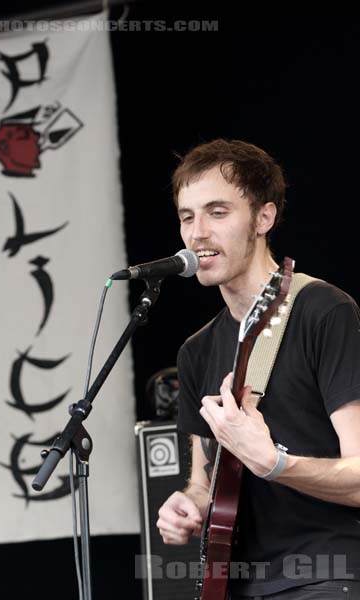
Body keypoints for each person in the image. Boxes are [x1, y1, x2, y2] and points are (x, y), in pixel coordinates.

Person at [156, 138, 360, 599]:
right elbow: (204, 481)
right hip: (237, 584)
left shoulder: (322, 310)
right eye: (187, 216)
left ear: (263, 219)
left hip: (327, 575)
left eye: (217, 212)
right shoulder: (196, 351)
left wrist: (274, 463)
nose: (197, 233)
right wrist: (187, 504)